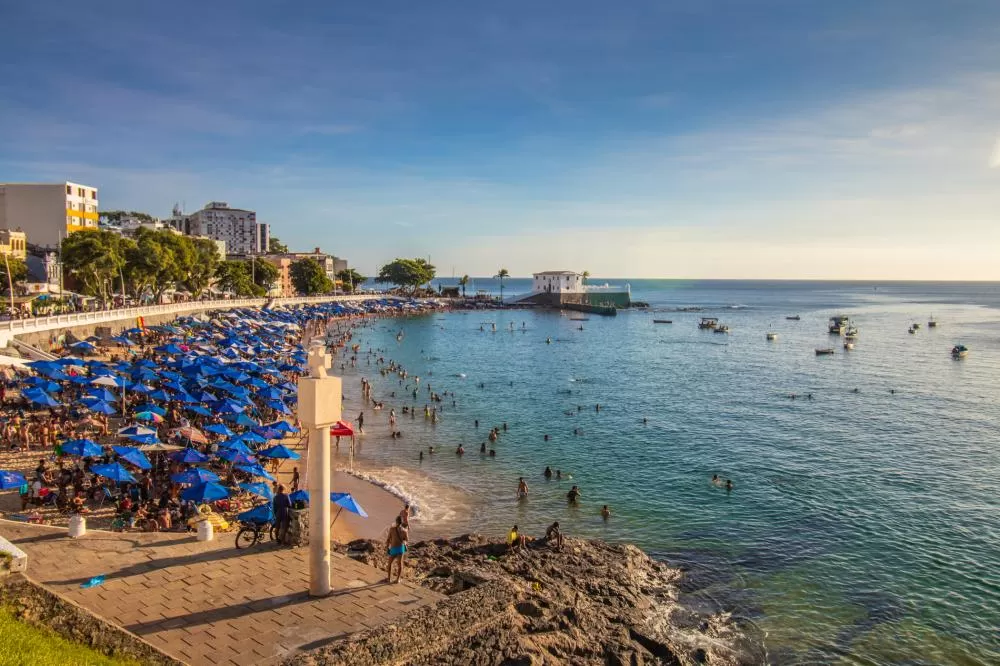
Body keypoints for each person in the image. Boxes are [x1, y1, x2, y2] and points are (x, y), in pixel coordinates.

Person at [386, 516, 408, 583]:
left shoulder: (392, 529)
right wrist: (404, 541)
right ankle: (397, 579)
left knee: (390, 563)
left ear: (396, 521)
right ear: (401, 522)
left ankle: (389, 579)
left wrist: (387, 547)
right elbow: (406, 540)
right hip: (400, 549)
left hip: (393, 548)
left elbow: (388, 539)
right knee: (400, 564)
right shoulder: (404, 531)